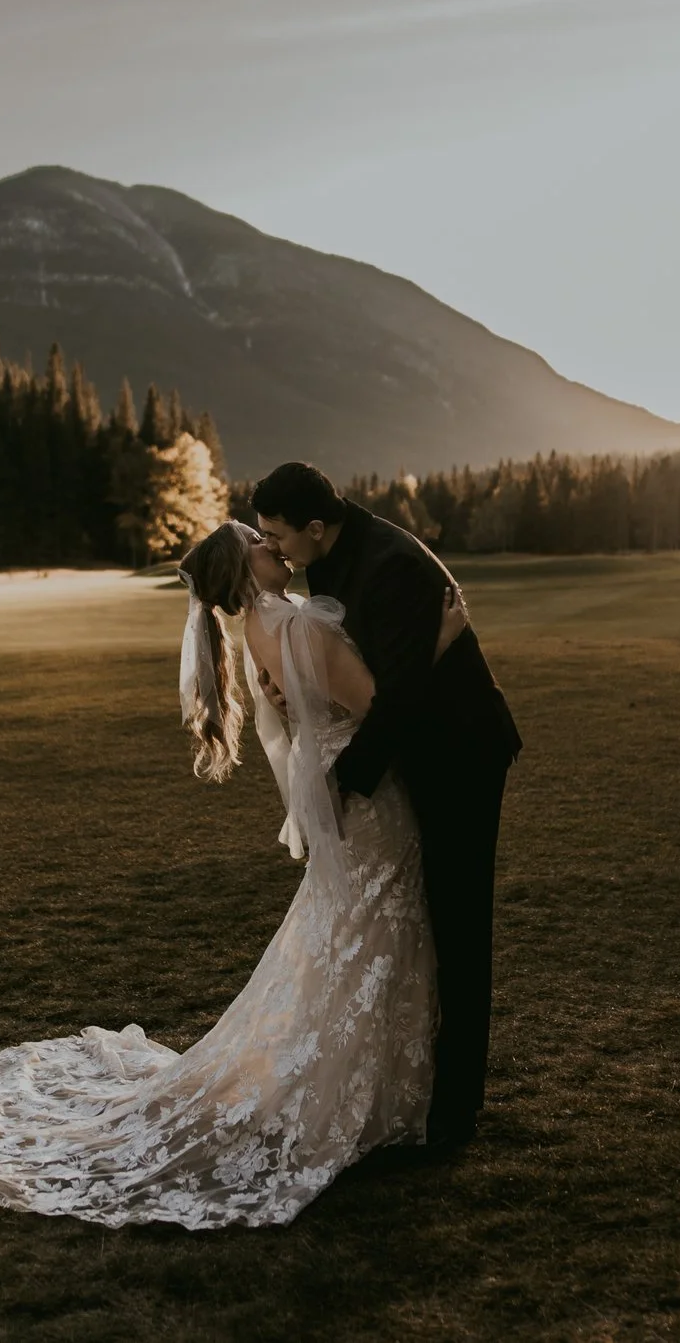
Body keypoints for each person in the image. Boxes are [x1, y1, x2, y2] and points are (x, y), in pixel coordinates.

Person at [0, 521, 470, 1229]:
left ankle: (370, 1084)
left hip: (345, 799)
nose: (274, 545)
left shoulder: (261, 626)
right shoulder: (294, 625)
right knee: (371, 931)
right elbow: (379, 706)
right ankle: (364, 1094)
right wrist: (438, 645)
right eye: (261, 539)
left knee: (351, 933)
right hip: (369, 804)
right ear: (245, 566)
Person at [252, 461, 522, 1152]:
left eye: (279, 534)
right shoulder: (332, 556)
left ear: (315, 526)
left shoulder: (391, 564)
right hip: (414, 749)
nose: (274, 546)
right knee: (428, 920)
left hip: (459, 755)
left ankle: (453, 1118)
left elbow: (396, 698)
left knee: (461, 925)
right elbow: (365, 669)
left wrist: (338, 789)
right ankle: (418, 1087)